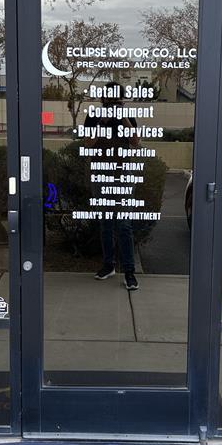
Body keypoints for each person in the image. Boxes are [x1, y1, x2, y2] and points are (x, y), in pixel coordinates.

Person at [83, 81, 139, 291]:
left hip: (122, 174)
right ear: (103, 99)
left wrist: (123, 118)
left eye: (117, 99)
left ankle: (129, 272)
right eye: (110, 98)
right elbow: (88, 143)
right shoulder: (94, 116)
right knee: (105, 222)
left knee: (124, 224)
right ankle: (108, 265)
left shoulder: (127, 116)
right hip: (100, 173)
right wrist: (100, 123)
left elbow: (135, 142)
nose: (113, 102)